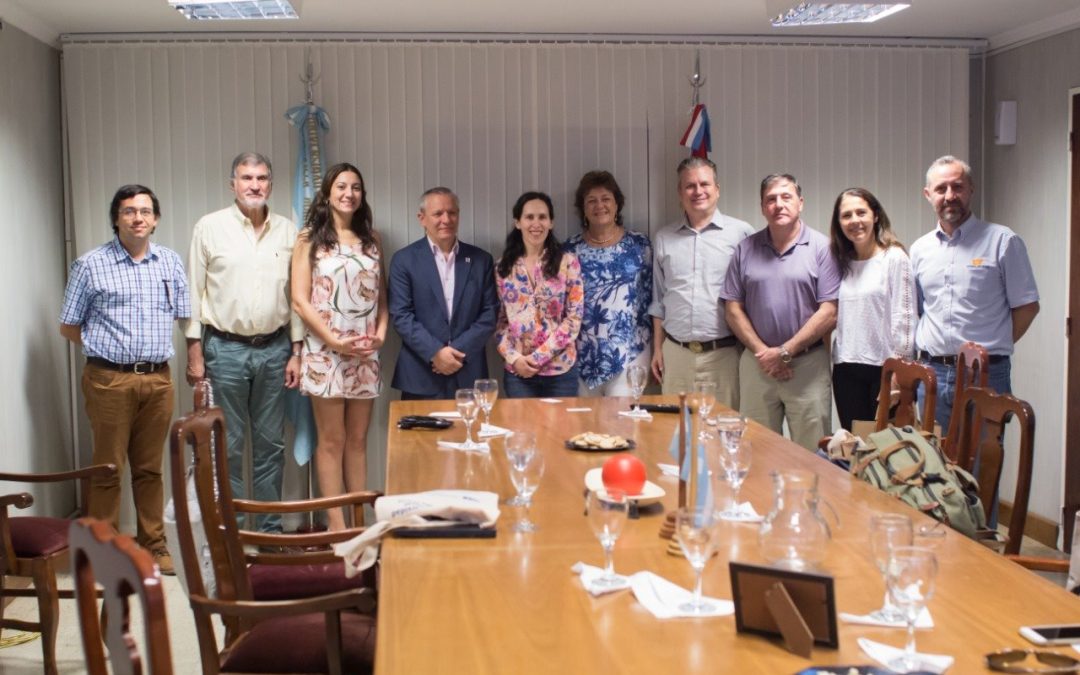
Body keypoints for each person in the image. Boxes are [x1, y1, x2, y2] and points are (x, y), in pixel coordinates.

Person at [60, 184, 190, 575]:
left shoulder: (169, 261)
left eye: (146, 211)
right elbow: (68, 326)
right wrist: (104, 346)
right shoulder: (90, 264)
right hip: (108, 380)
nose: (138, 218)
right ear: (116, 218)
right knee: (107, 470)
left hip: (157, 381)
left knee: (150, 469)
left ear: (156, 219)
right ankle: (104, 552)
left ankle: (154, 546)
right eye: (130, 211)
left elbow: (184, 316)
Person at [184, 151, 303, 533]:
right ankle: (232, 533)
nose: (254, 185)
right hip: (225, 349)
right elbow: (194, 293)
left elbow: (298, 296)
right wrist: (194, 351)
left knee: (271, 448)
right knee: (228, 447)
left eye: (262, 178)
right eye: (246, 177)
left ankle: (269, 532)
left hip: (274, 349)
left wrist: (297, 350)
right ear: (232, 183)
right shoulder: (209, 227)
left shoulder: (289, 230)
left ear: (271, 183)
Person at [291, 163, 387, 531]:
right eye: (342, 186)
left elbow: (382, 300)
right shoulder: (309, 239)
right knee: (332, 439)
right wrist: (332, 341)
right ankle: (336, 523)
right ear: (328, 193)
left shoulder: (372, 239)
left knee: (359, 440)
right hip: (326, 352)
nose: (349, 193)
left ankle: (359, 521)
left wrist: (379, 334)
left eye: (356, 187)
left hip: (364, 352)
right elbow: (299, 300)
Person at [912, 155, 1040, 432]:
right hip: (933, 374)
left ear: (971, 189)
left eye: (957, 187)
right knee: (935, 467)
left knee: (982, 465)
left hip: (984, 375)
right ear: (927, 194)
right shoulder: (920, 250)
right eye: (940, 189)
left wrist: (990, 348)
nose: (949, 196)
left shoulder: (1002, 241)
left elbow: (1027, 306)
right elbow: (921, 310)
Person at [722, 173, 841, 450]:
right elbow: (732, 308)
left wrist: (786, 351)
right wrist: (765, 354)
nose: (778, 204)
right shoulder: (746, 248)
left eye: (786, 197)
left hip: (807, 366)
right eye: (771, 199)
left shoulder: (823, 248)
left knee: (812, 452)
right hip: (757, 364)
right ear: (763, 207)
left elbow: (829, 311)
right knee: (755, 448)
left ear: (800, 202)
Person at [649, 157, 754, 405]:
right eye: (690, 186)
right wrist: (657, 349)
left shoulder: (741, 234)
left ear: (717, 189)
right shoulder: (664, 237)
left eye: (704, 184)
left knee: (722, 433)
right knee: (676, 433)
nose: (698, 191)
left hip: (725, 355)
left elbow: (754, 297)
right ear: (680, 192)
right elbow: (659, 299)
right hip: (676, 354)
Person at [388, 187, 499, 400]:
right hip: (420, 374)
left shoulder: (480, 260)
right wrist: (435, 353)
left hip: (468, 373)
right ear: (422, 218)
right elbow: (401, 315)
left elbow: (489, 314)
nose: (446, 219)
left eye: (452, 212)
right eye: (438, 213)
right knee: (419, 435)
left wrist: (455, 352)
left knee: (470, 433)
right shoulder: (404, 260)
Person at [828, 188, 917, 432]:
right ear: (839, 223)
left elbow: (906, 317)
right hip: (846, 368)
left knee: (889, 451)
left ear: (875, 215)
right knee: (857, 448)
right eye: (846, 215)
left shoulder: (894, 258)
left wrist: (901, 369)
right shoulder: (841, 263)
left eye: (861, 212)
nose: (854, 221)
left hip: (886, 370)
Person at [564, 170, 652, 396]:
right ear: (583, 209)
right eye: (591, 201)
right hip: (581, 356)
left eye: (606, 199)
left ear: (617, 205)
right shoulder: (568, 251)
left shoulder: (639, 245)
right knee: (583, 427)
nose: (599, 205)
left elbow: (654, 298)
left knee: (624, 427)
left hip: (631, 354)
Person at [495, 191, 584, 398]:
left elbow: (573, 319)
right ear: (517, 222)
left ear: (551, 222)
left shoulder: (568, 262)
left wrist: (538, 357)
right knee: (521, 431)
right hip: (518, 373)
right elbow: (499, 323)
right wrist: (514, 358)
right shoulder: (502, 268)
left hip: (560, 372)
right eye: (529, 217)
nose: (536, 223)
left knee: (562, 431)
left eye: (542, 217)